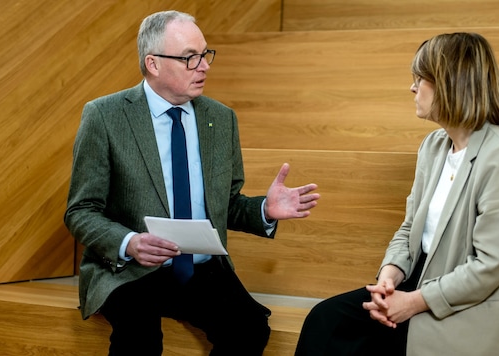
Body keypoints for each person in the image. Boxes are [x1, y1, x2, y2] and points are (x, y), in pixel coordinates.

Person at [64, 10, 320, 356]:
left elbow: (226, 205)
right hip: (130, 269)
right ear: (153, 64)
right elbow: (81, 211)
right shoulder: (105, 116)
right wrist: (130, 242)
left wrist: (264, 209)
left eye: (205, 54)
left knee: (250, 329)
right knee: (138, 340)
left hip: (200, 267)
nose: (204, 66)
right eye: (190, 58)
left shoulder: (221, 118)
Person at [295, 32, 499, 356]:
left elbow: (489, 267)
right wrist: (387, 280)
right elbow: (410, 229)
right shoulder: (433, 146)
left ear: (449, 83)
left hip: (476, 307)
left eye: (420, 78)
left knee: (383, 343)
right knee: (324, 321)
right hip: (419, 285)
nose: (412, 87)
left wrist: (412, 303)